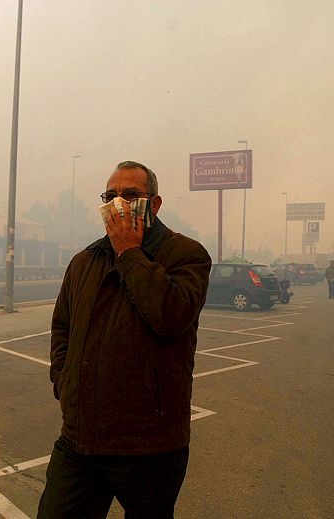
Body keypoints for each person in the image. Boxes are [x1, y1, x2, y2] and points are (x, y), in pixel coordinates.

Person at [37, 161, 212, 519]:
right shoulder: (84, 261)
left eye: (131, 195)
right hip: (80, 439)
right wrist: (64, 382)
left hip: (149, 446)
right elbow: (62, 329)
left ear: (155, 204)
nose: (119, 203)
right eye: (111, 195)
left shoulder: (186, 255)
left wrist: (130, 252)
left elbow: (171, 315)